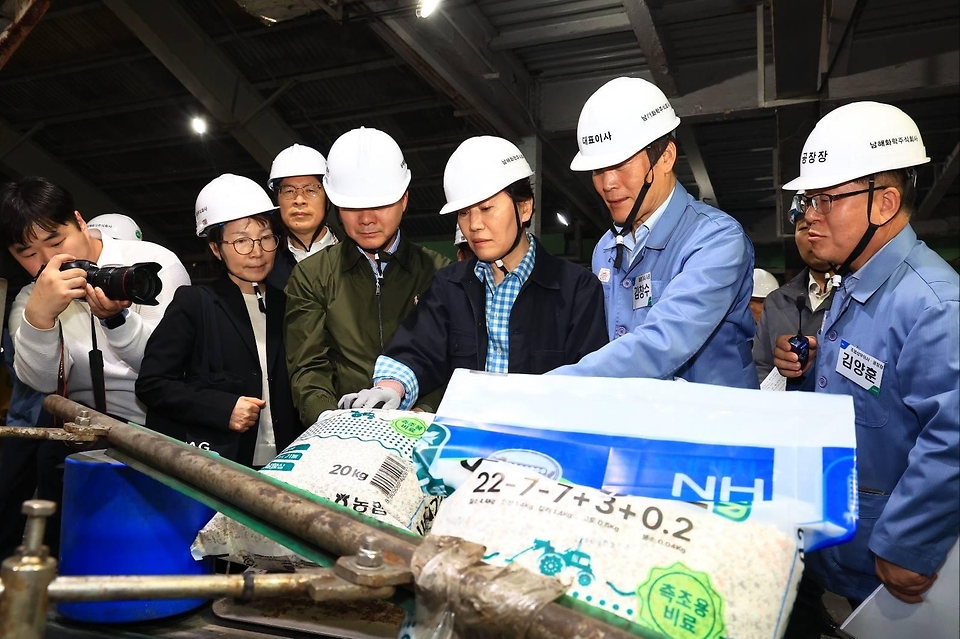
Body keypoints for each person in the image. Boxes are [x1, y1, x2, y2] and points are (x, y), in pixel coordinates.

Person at [772, 102, 959, 632]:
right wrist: (809, 367)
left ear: (886, 203)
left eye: (827, 199)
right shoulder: (855, 286)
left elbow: (952, 436)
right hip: (841, 548)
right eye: (807, 200)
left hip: (887, 569)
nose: (808, 215)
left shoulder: (932, 304)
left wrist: (910, 542)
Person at [339, 136, 608, 411]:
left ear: (524, 207)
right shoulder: (449, 285)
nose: (474, 225)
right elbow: (418, 346)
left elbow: (589, 390)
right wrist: (391, 386)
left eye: (487, 208)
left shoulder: (577, 290)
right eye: (464, 213)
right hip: (464, 443)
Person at [548, 77, 758, 388]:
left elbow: (661, 343)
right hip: (639, 422)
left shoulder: (716, 240)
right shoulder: (606, 249)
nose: (607, 184)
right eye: (598, 170)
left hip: (711, 425)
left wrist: (549, 387)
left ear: (665, 157)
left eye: (620, 164)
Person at [284, 127, 449, 425]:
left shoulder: (440, 273)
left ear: (404, 200)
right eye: (352, 207)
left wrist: (422, 413)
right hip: (341, 434)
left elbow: (453, 359)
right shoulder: (311, 276)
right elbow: (308, 366)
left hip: (424, 428)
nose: (367, 219)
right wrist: (327, 418)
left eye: (381, 204)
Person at [137, 174, 300, 467]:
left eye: (266, 239)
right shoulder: (196, 303)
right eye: (241, 241)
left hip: (287, 462)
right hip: (220, 462)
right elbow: (152, 384)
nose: (257, 252)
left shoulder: (288, 304)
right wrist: (222, 408)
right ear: (215, 248)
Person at [1, 177, 190, 424]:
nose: (48, 260)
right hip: (84, 429)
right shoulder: (30, 298)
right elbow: (43, 383)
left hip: (166, 422)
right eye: (29, 254)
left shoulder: (150, 265)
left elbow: (170, 364)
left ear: (80, 222)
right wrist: (39, 318)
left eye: (56, 242)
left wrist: (116, 320)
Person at [753, 203, 835, 389]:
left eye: (820, 224)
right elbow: (761, 367)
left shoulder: (860, 295)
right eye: (804, 228)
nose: (812, 233)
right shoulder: (776, 301)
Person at [265, 144, 339, 288]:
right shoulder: (267, 271)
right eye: (288, 191)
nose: (299, 200)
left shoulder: (358, 259)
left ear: (328, 199)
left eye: (310, 190)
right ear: (277, 200)